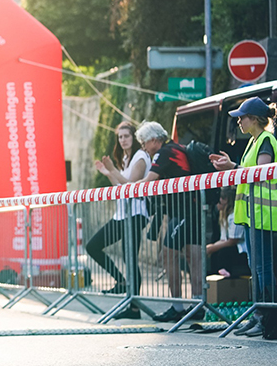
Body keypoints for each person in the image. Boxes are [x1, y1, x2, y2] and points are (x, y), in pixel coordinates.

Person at [210, 97, 277, 337]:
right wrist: (231, 167)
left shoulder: (266, 141)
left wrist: (233, 168)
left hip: (264, 216)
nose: (239, 121)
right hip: (254, 216)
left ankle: (269, 317)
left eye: (242, 116)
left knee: (263, 268)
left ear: (255, 119)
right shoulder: (254, 141)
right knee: (256, 267)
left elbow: (261, 174)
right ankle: (259, 314)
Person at [134, 121, 204, 322]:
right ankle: (198, 304)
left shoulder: (163, 153)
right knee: (193, 257)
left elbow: (149, 181)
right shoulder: (177, 147)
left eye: (144, 143)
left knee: (167, 255)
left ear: (154, 140)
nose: (144, 148)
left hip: (183, 212)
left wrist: (127, 189)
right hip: (194, 208)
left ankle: (178, 307)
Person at [86, 122, 150, 319]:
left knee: (130, 258)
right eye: (120, 137)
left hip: (136, 214)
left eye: (126, 136)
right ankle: (121, 282)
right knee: (93, 246)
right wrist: (109, 173)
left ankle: (134, 308)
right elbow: (119, 186)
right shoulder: (125, 158)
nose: (123, 140)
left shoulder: (140, 157)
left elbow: (131, 186)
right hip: (121, 215)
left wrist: (113, 170)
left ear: (134, 137)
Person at [206, 187, 250, 277]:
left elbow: (233, 241)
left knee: (223, 252)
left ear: (225, 200)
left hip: (242, 249)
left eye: (219, 201)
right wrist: (211, 247)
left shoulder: (234, 215)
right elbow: (223, 239)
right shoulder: (223, 216)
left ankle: (227, 273)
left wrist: (213, 248)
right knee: (214, 251)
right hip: (233, 245)